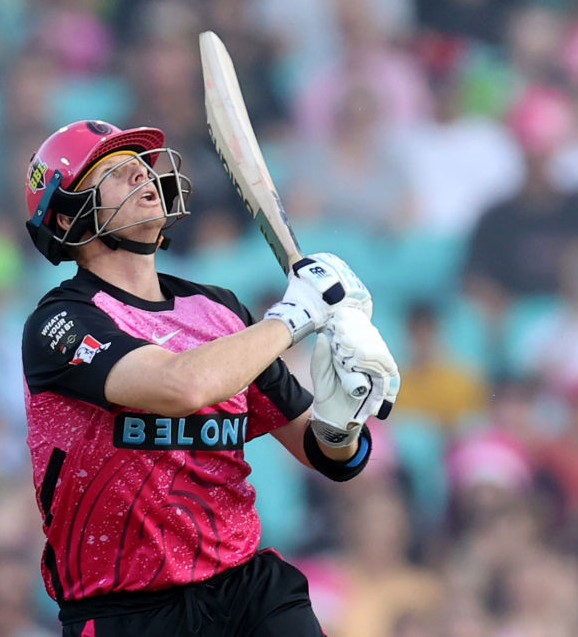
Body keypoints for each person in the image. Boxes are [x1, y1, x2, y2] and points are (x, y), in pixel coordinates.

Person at [20, 119, 400, 636]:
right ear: (68, 218)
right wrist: (293, 317)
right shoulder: (59, 323)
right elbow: (181, 387)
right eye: (116, 171)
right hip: (126, 612)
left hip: (246, 589)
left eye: (142, 167)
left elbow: (325, 456)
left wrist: (341, 424)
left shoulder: (219, 310)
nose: (143, 177)